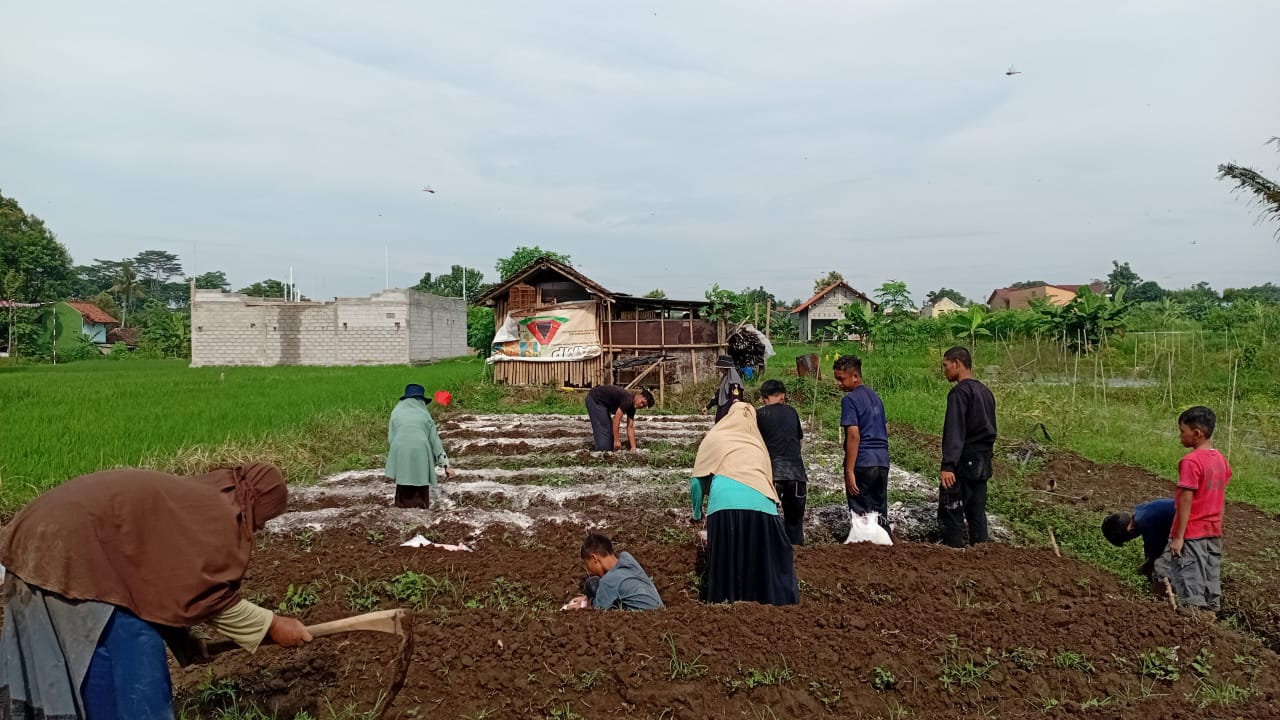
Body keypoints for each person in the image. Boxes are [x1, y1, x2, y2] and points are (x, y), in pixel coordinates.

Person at [0, 464, 312, 719]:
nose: (259, 529)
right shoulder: (216, 515)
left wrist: (183, 641)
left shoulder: (193, 500)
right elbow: (211, 598)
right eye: (265, 519)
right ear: (258, 504)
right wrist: (273, 626)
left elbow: (153, 582)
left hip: (39, 543)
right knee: (138, 653)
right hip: (69, 554)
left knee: (95, 670)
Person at [690, 401, 800, 606]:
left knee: (727, 556)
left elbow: (697, 482)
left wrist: (696, 513)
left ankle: (726, 599)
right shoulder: (757, 443)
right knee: (764, 556)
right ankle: (768, 602)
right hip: (762, 504)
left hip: (723, 504)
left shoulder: (714, 437)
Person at [1154, 406, 1232, 611]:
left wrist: (1179, 536)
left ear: (1197, 434)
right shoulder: (1221, 460)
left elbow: (1185, 501)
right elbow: (1219, 496)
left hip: (1192, 530)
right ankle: (1211, 609)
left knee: (1190, 576)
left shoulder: (1190, 461)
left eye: (1182, 431)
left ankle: (1194, 615)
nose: (1180, 436)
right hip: (1213, 529)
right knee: (1209, 572)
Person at [938, 346, 997, 549]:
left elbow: (955, 431)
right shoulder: (985, 392)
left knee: (951, 508)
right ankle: (980, 550)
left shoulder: (959, 393)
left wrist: (948, 465)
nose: (944, 370)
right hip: (983, 459)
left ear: (957, 363)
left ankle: (952, 552)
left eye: (946, 365)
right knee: (977, 510)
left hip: (964, 459)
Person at [834, 355, 891, 534]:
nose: (839, 384)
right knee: (879, 511)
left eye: (841, 379)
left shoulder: (849, 400)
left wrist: (849, 471)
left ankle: (866, 553)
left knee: (862, 514)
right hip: (882, 461)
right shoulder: (876, 397)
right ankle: (887, 549)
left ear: (855, 377)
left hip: (863, 462)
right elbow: (887, 429)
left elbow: (853, 436)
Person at [756, 379, 807, 545]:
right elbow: (799, 442)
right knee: (795, 523)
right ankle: (798, 557)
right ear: (783, 396)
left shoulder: (760, 414)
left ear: (765, 398)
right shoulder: (792, 412)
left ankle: (770, 553)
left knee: (767, 518)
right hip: (797, 475)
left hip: (773, 475)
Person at [387, 383, 454, 509]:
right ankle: (420, 507)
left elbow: (391, 438)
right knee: (421, 479)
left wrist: (398, 455)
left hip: (400, 448)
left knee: (403, 480)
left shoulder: (395, 412)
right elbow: (434, 440)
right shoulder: (424, 414)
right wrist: (445, 465)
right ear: (421, 400)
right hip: (422, 449)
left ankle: (402, 506)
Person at [564, 533, 664, 611]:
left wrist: (581, 607)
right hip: (658, 605)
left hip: (647, 615)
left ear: (594, 559)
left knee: (592, 585)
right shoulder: (626, 557)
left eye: (587, 564)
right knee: (593, 583)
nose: (589, 569)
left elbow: (596, 612)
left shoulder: (609, 580)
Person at [1102, 499, 1176, 579]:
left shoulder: (1145, 523)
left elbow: (1156, 552)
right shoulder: (1140, 512)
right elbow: (1150, 547)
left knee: (1161, 570)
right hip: (1181, 515)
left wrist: (1146, 567)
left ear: (1130, 530)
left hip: (1188, 525)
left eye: (1129, 538)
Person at [584, 384, 654, 452]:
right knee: (604, 446)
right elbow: (616, 419)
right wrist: (616, 440)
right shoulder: (628, 400)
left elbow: (630, 427)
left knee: (609, 440)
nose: (641, 405)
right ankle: (600, 450)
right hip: (595, 399)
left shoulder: (632, 407)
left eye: (643, 406)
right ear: (639, 395)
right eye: (642, 402)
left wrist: (633, 447)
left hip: (603, 405)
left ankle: (605, 446)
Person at [706, 355, 744, 422]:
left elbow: (736, 396)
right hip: (722, 409)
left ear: (724, 368)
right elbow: (718, 395)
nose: (720, 370)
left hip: (728, 410)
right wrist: (708, 407)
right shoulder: (725, 379)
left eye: (720, 368)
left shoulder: (734, 381)